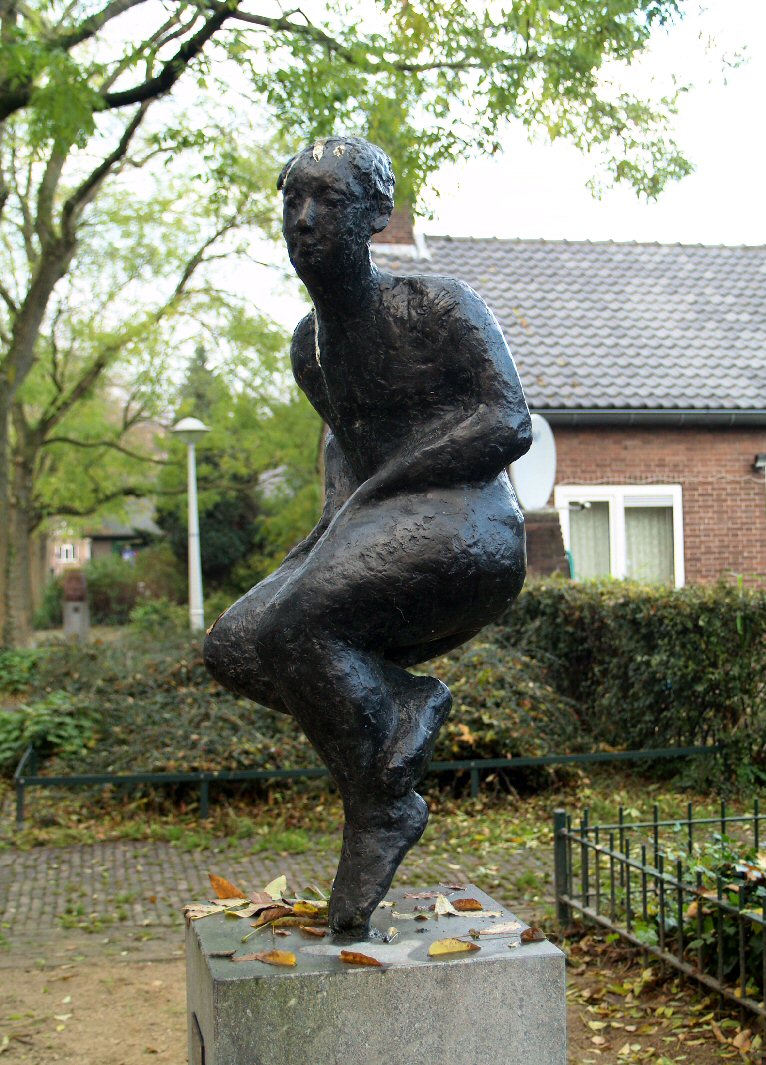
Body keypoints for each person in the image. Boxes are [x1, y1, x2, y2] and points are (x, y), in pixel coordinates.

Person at [204, 137, 532, 935]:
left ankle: (382, 804)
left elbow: (507, 421)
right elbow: (344, 452)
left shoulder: (438, 306)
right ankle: (401, 701)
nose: (304, 219)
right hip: (379, 525)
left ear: (375, 216)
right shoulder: (308, 347)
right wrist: (323, 535)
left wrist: (385, 488)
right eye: (292, 201)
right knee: (236, 645)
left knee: (298, 624)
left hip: (470, 526)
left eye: (327, 201)